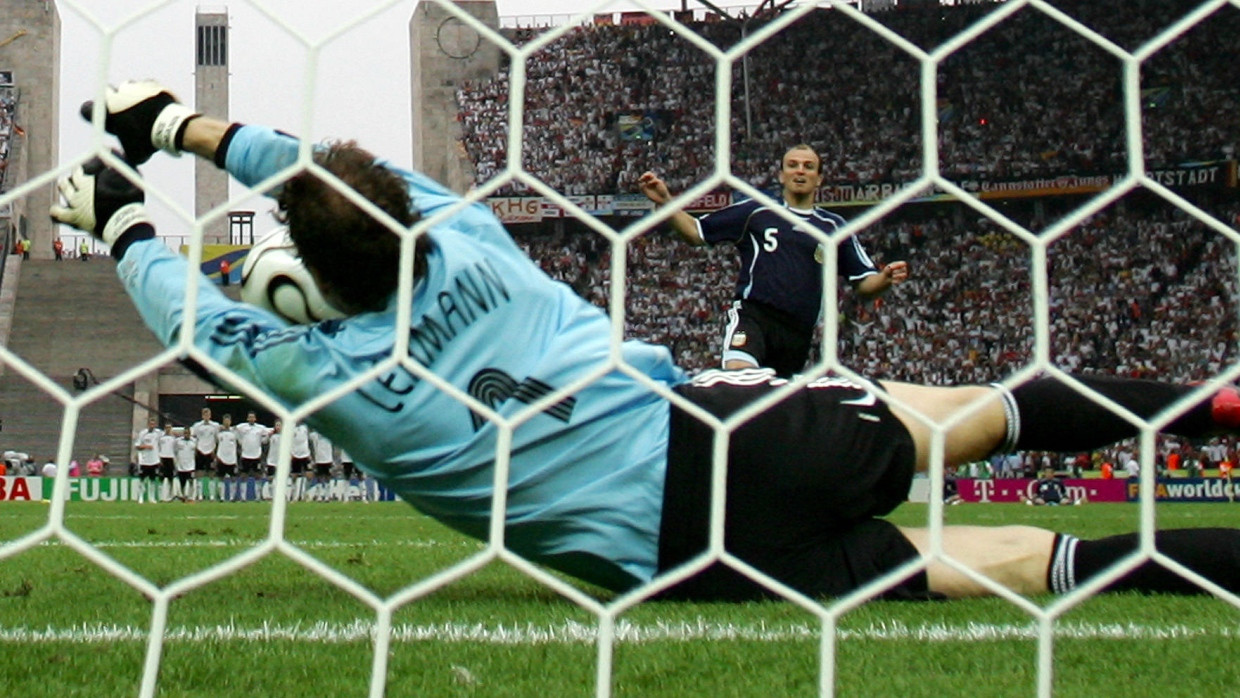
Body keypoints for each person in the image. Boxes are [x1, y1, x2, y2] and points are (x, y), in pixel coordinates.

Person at [50, 80, 1240, 602]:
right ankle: (1215, 401)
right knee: (983, 412)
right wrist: (183, 127)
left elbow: (197, 319)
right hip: (729, 432)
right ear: (401, 216)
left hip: (682, 557)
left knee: (1023, 562)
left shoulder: (349, 384)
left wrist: (122, 219)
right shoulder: (466, 236)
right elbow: (319, 168)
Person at [638, 146, 910, 377]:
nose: (800, 171)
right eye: (792, 165)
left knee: (772, 414)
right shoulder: (756, 211)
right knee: (740, 382)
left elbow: (863, 282)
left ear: (819, 179)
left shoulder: (832, 227)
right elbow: (697, 233)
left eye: (808, 166)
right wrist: (666, 201)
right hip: (754, 317)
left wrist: (885, 278)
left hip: (798, 333)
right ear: (781, 175)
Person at [234, 410, 269, 477]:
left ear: (255, 418)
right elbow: (234, 429)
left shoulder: (261, 428)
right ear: (247, 418)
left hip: (256, 455)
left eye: (253, 417)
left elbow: (269, 433)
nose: (251, 419)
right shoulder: (241, 426)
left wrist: (265, 439)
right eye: (250, 417)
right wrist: (240, 442)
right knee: (243, 474)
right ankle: (243, 487)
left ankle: (258, 487)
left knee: (258, 474)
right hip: (245, 455)